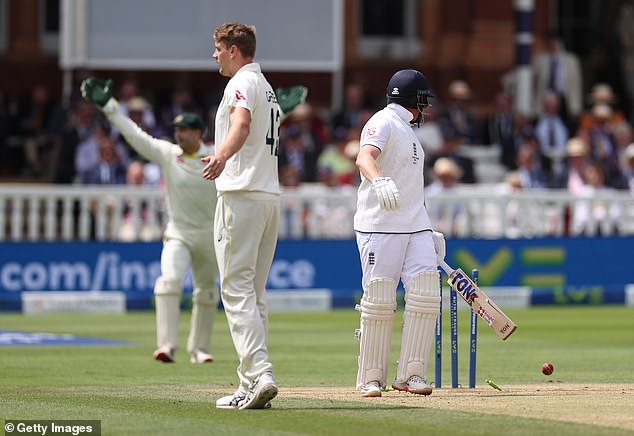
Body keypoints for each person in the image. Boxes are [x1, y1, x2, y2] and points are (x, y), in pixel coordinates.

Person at [81, 77, 220, 365]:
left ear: (199, 133)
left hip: (210, 234)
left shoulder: (217, 156)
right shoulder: (168, 154)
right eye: (176, 130)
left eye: (184, 130)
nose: (178, 135)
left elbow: (249, 145)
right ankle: (166, 346)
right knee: (167, 282)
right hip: (178, 233)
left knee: (206, 291)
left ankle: (200, 349)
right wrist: (109, 107)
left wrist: (277, 115)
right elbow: (135, 135)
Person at [201, 22, 291, 411]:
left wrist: (221, 155)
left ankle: (261, 371)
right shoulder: (266, 87)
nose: (215, 55)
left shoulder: (240, 83)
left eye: (218, 49)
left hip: (241, 195)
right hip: (268, 197)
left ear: (234, 50)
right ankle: (249, 383)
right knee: (254, 295)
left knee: (236, 290)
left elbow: (241, 124)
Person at [352, 69, 444, 398]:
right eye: (423, 101)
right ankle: (370, 378)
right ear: (413, 100)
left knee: (426, 294)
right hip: (380, 224)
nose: (425, 109)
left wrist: (426, 227)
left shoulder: (409, 131)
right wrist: (377, 181)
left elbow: (410, 185)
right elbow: (364, 156)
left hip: (414, 225)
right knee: (379, 299)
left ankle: (411, 374)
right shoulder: (383, 121)